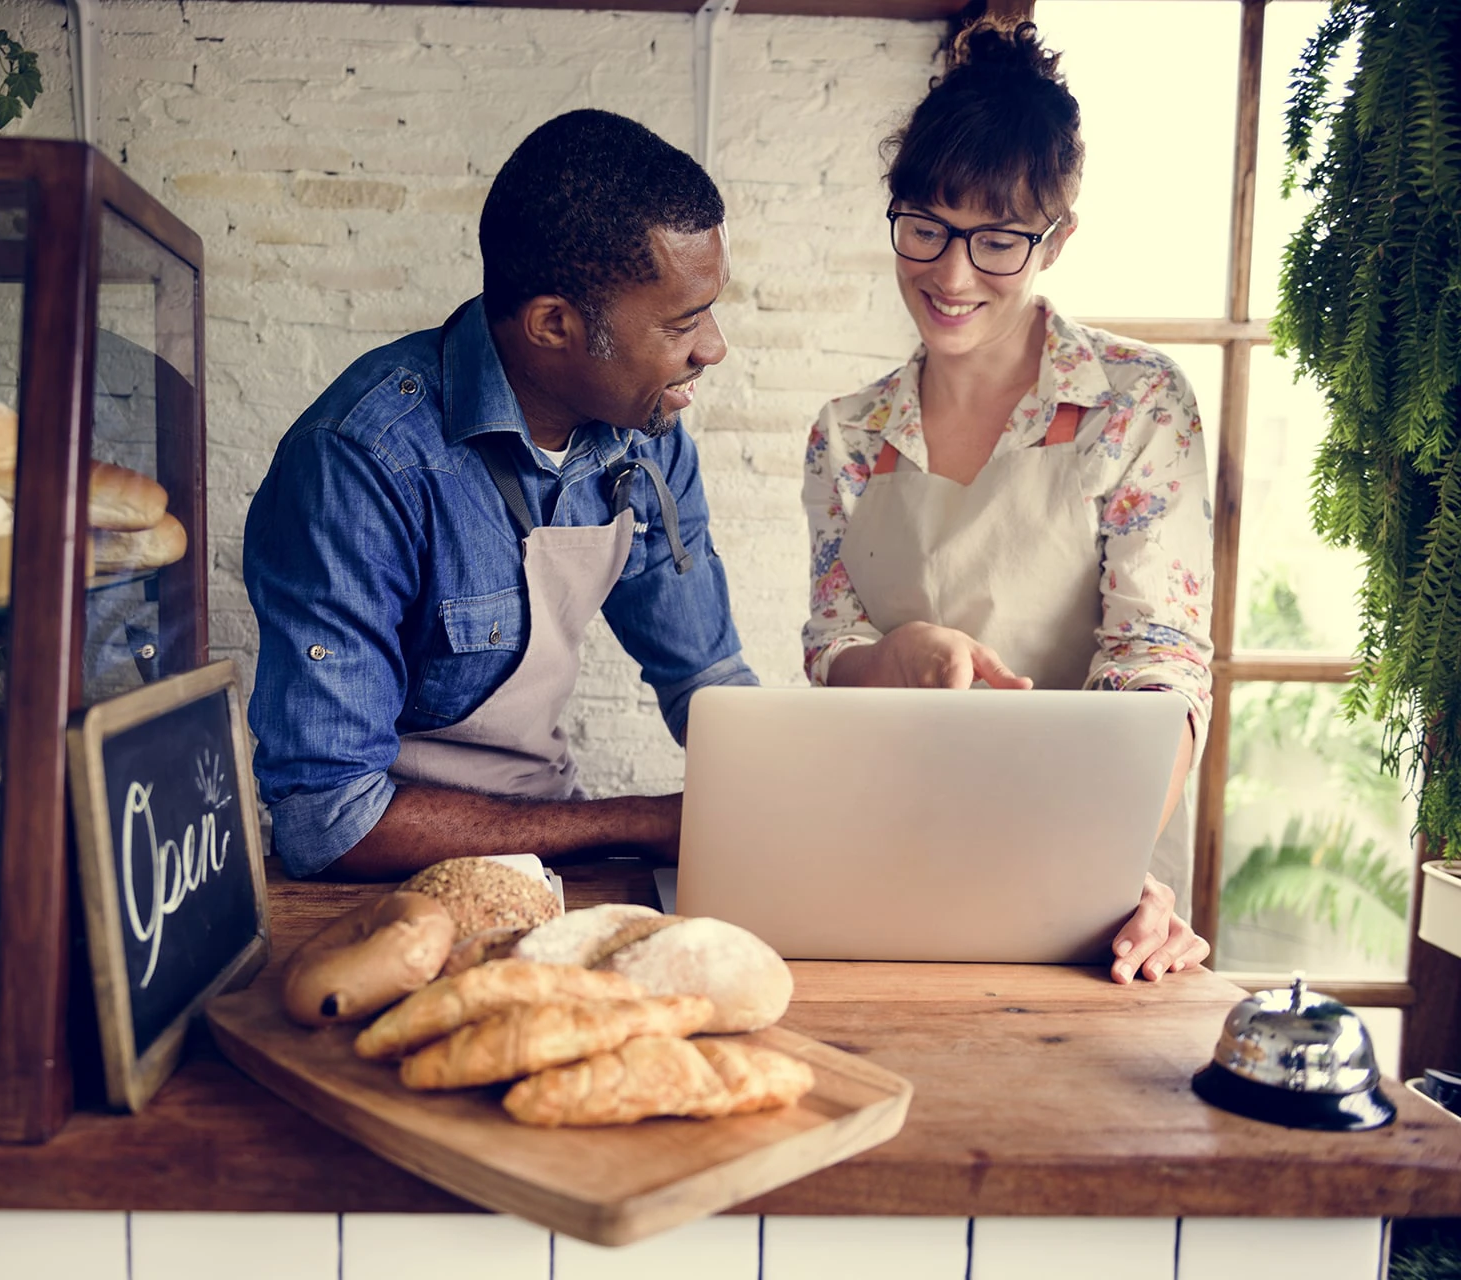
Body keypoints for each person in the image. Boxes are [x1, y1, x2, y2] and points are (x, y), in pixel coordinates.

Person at [801, 19, 1214, 984]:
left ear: (1056, 238)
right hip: (893, 848)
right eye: (926, 228)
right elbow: (832, 644)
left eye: (996, 242)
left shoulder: (1139, 403)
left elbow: (1160, 662)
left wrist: (1094, 863)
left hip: (1095, 884)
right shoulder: (848, 434)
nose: (950, 276)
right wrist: (891, 659)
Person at [244, 109, 756, 880]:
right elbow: (330, 820)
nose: (713, 347)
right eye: (683, 321)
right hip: (387, 879)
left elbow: (705, 681)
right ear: (553, 324)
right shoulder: (360, 462)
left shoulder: (644, 433)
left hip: (549, 846)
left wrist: (789, 797)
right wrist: (642, 824)